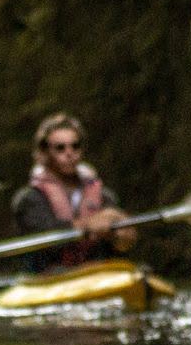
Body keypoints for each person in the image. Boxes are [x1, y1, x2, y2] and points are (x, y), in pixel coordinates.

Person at [10, 113, 135, 272]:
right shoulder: (29, 199)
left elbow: (124, 242)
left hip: (96, 272)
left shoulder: (104, 195)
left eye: (75, 146)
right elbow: (48, 240)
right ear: (44, 152)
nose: (69, 153)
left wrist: (120, 230)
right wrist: (88, 225)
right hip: (49, 275)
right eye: (60, 148)